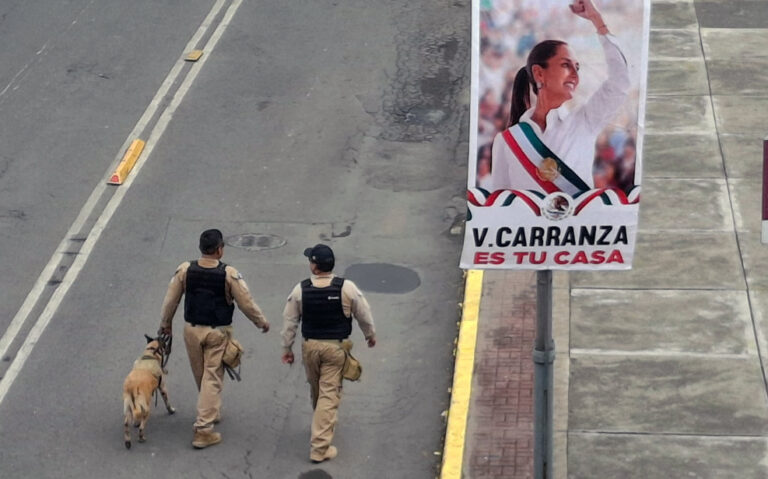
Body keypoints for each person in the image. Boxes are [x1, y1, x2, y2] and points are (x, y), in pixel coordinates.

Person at [489, 0, 630, 196]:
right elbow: (499, 205)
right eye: (566, 65)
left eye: (577, 67)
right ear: (539, 73)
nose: (575, 74)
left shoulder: (586, 121)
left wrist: (598, 21)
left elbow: (620, 81)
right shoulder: (507, 141)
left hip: (579, 227)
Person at [158, 229, 270, 449]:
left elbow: (170, 300)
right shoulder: (228, 273)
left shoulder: (185, 269)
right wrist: (261, 322)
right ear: (219, 249)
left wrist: (166, 324)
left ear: (201, 248)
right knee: (212, 378)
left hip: (191, 330)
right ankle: (203, 430)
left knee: (202, 375)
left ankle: (210, 410)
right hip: (217, 333)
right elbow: (246, 302)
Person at [280, 244, 376, 463]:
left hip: (310, 347)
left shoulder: (300, 290)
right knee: (328, 393)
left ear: (315, 267)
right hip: (336, 348)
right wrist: (370, 335)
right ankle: (320, 447)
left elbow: (290, 322)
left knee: (318, 390)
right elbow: (364, 313)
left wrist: (287, 348)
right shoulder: (347, 288)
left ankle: (321, 424)